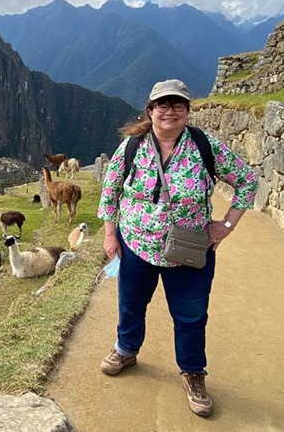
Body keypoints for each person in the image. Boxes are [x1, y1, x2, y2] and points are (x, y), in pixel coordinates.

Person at [97, 78, 257, 417]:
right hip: (138, 245)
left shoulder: (203, 146)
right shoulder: (131, 147)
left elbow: (247, 180)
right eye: (162, 105)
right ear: (150, 110)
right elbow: (110, 192)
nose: (169, 111)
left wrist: (226, 225)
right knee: (131, 303)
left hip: (189, 248)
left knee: (190, 315)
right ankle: (126, 349)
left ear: (187, 110)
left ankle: (193, 373)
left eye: (177, 105)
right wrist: (111, 234)